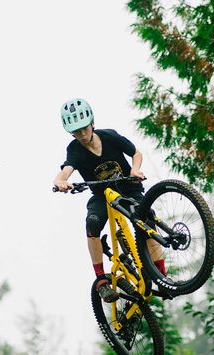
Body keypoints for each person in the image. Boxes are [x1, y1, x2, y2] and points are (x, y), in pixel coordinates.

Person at [52, 97, 165, 303]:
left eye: (85, 128)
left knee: (147, 220)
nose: (82, 134)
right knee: (92, 224)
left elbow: (135, 153)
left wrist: (135, 170)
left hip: (129, 188)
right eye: (76, 132)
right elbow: (66, 169)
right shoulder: (74, 149)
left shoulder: (110, 136)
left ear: (92, 123)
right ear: (71, 133)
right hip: (101, 196)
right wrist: (60, 181)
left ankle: (161, 274)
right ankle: (101, 281)